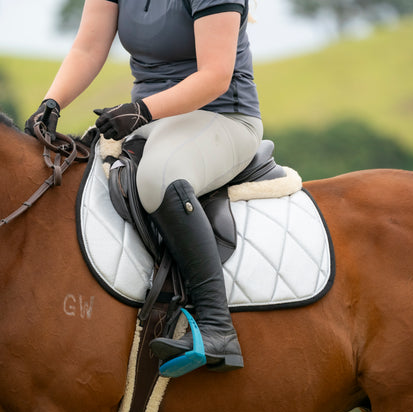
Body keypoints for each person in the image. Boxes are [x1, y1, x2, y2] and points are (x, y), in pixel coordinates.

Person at [25, 0, 262, 374]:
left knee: (158, 177)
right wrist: (52, 102)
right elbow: (88, 47)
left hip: (222, 117)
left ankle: (218, 327)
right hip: (151, 120)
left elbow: (216, 75)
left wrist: (143, 110)